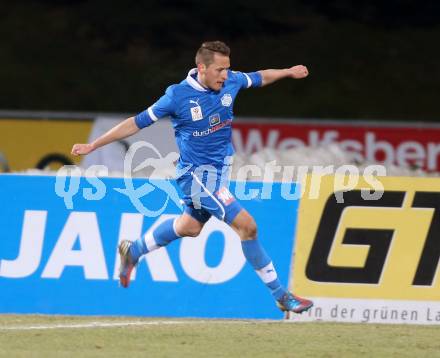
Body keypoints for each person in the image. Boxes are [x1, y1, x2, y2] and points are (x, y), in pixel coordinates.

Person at [72, 41, 313, 314]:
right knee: (248, 226)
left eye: (227, 69)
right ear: (202, 68)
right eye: (220, 70)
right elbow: (135, 122)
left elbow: (259, 76)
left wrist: (287, 71)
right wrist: (94, 146)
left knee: (190, 227)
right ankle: (281, 295)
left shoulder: (231, 82)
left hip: (218, 175)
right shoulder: (177, 96)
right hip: (197, 178)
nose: (225, 75)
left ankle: (134, 251)